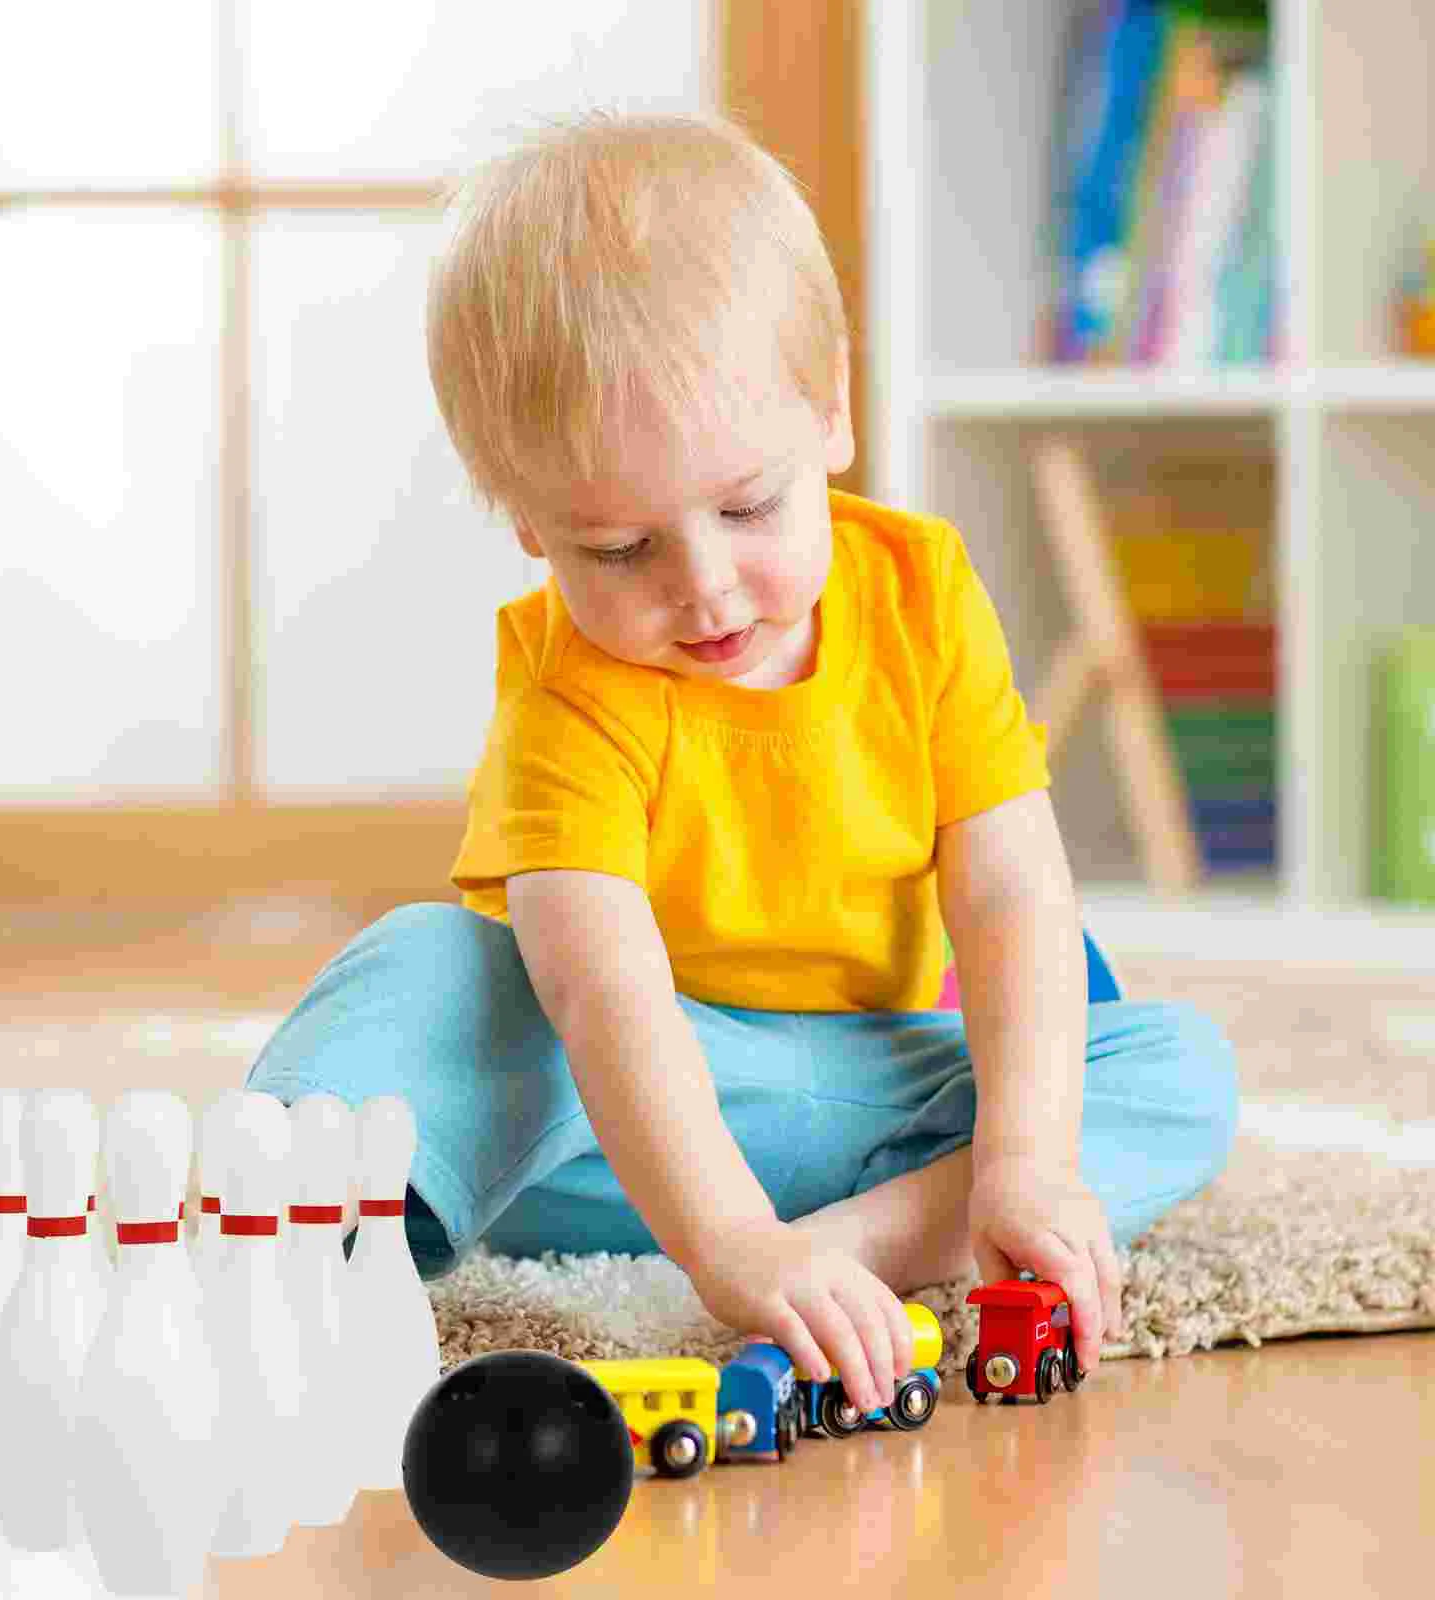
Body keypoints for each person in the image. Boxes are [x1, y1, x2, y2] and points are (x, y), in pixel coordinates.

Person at [245, 109, 1237, 1414]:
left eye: (748, 507)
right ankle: (300, 1236)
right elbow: (603, 993)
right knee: (422, 971)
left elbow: (1007, 897)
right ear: (528, 526)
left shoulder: (924, 594)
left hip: (878, 1082)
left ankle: (864, 1249)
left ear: (831, 413)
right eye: (617, 549)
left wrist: (1028, 1161)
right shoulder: (569, 687)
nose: (705, 588)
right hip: (608, 1118)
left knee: (1174, 1067)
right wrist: (723, 1243)